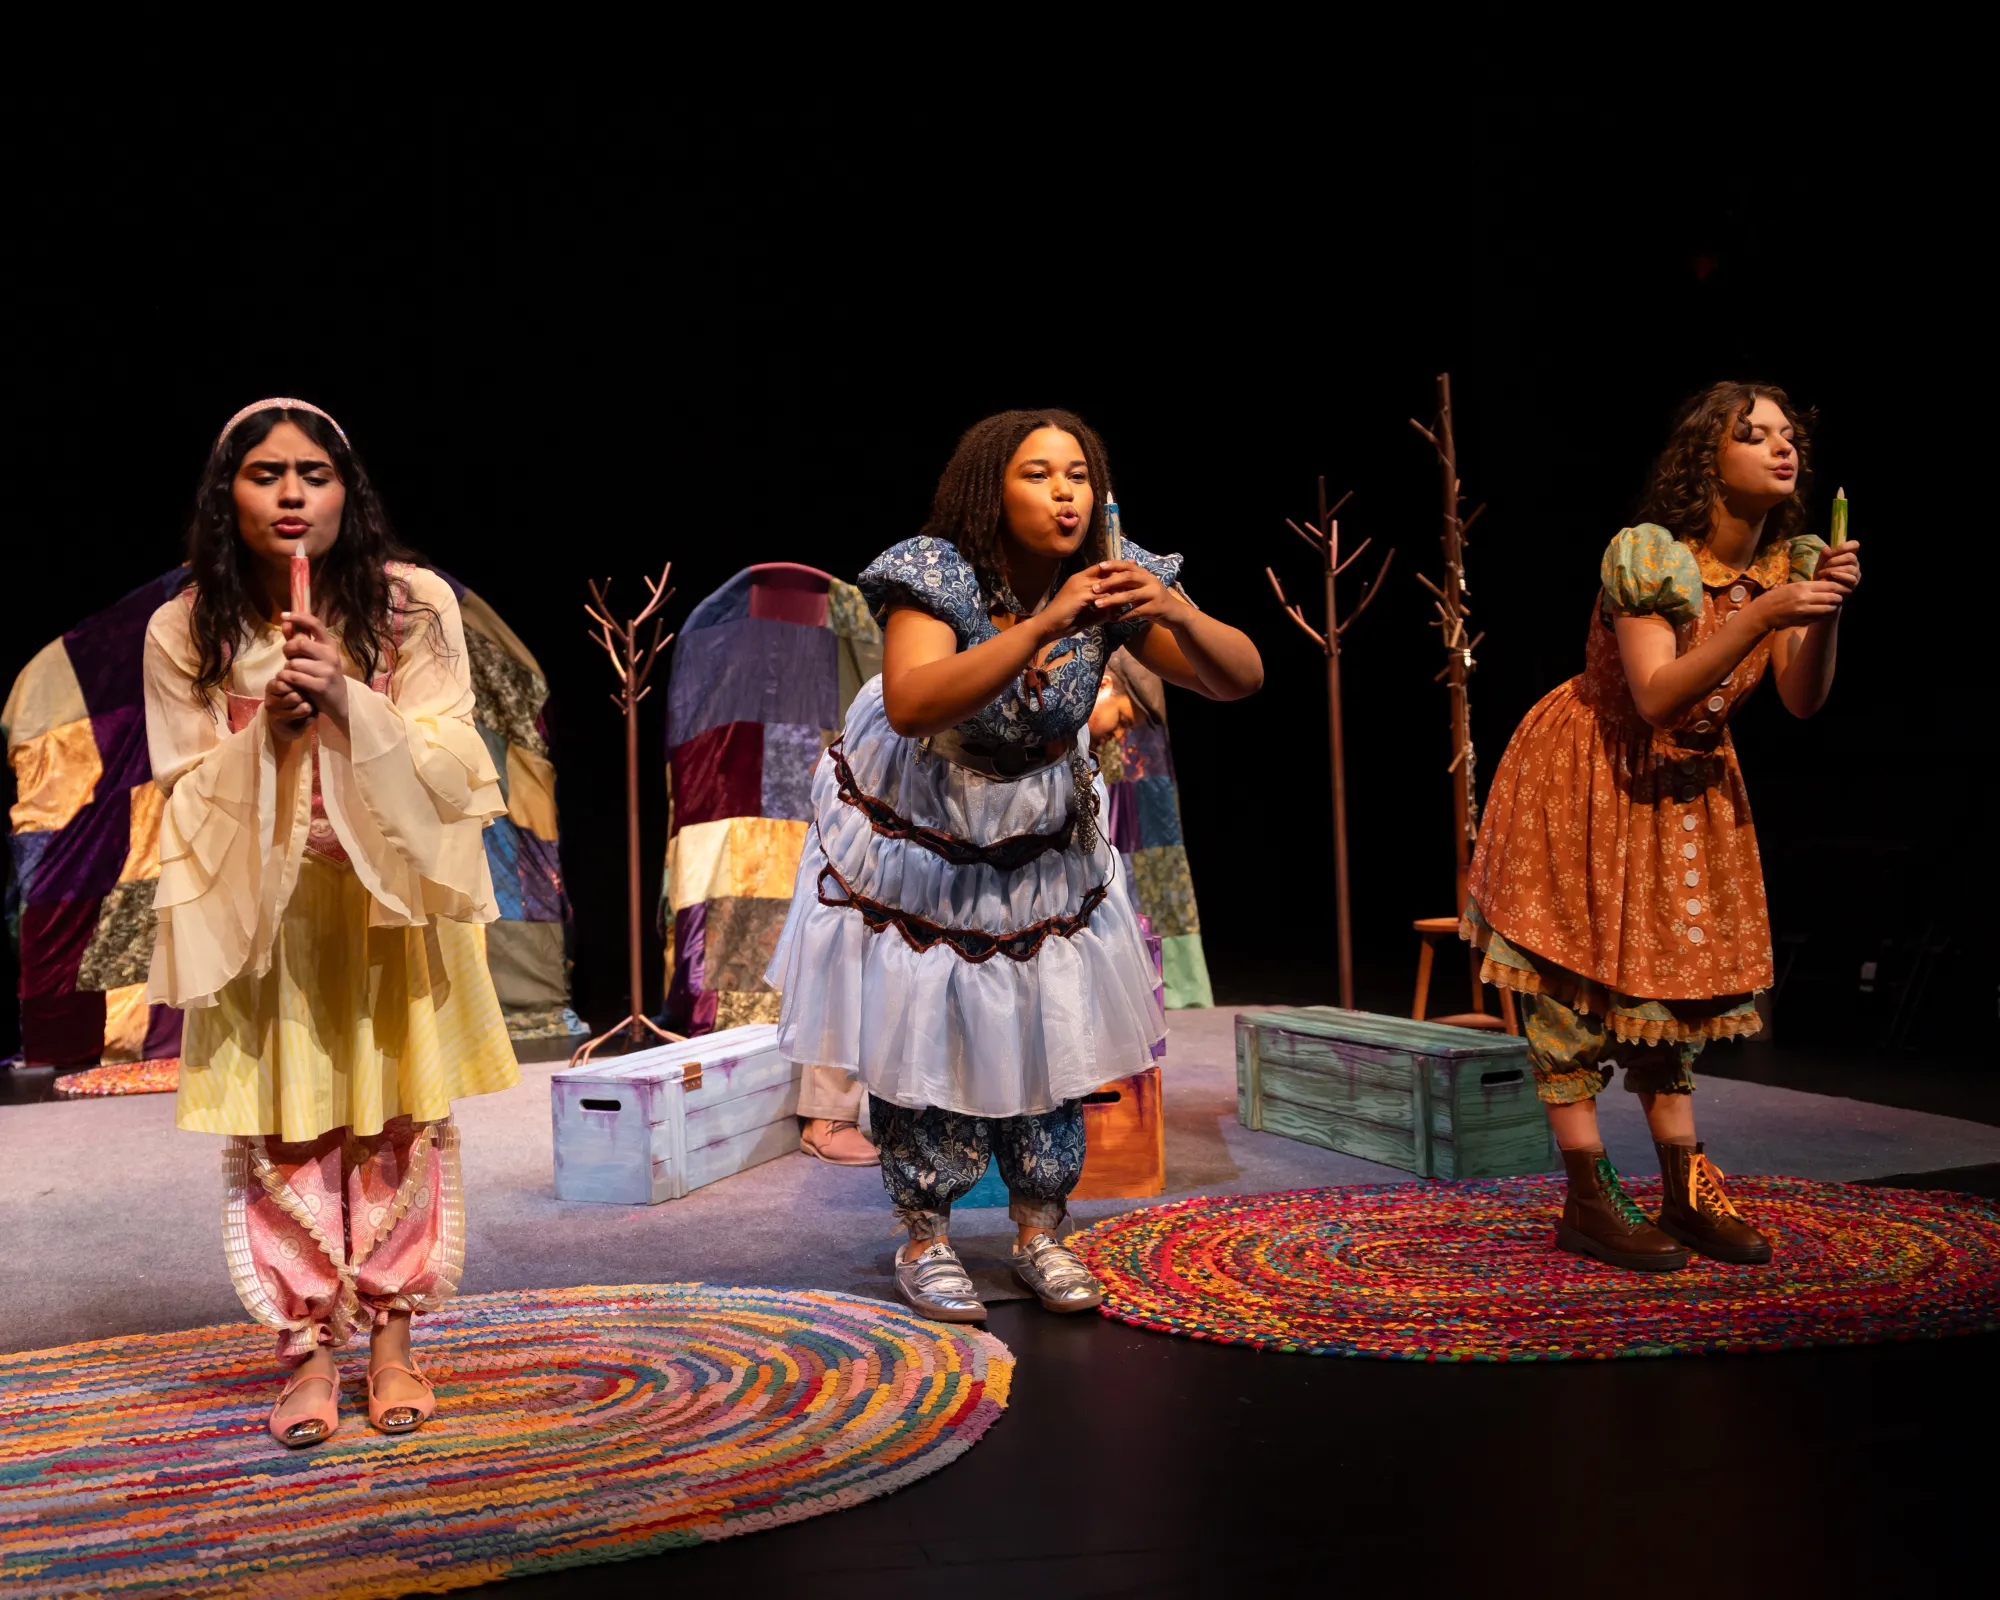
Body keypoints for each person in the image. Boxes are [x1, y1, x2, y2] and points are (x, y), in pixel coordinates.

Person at [767, 409, 1262, 1321]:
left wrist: (1173, 608)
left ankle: (1041, 1228)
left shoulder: (1111, 575)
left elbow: (1239, 678)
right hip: (928, 813)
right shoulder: (936, 570)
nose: (1066, 491)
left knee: (1046, 1016)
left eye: (1079, 473)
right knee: (929, 1020)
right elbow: (915, 702)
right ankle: (926, 1236)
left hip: (1035, 817)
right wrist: (1047, 627)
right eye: (1039, 474)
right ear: (989, 488)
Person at [144, 398, 519, 1444]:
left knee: (397, 1119)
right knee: (290, 1123)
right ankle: (306, 1349)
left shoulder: (413, 606)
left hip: (388, 908)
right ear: (229, 496)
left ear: (348, 492)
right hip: (273, 916)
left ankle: (394, 1339)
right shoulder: (186, 627)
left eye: (316, 473)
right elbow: (181, 792)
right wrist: (263, 738)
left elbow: (454, 760)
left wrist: (354, 701)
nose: (294, 492)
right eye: (266, 474)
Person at [1461, 381, 1861, 1271]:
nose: (1781, 447)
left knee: (1672, 989)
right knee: (1574, 989)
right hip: (1591, 770)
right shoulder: (1649, 556)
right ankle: (1588, 1193)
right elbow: (1654, 697)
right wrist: (1760, 615)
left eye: (1788, 435)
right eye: (1753, 435)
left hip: (1690, 783)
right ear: (1705, 459)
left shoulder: (1788, 563)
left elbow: (1799, 697)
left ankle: (1683, 1188)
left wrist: (1819, 612)